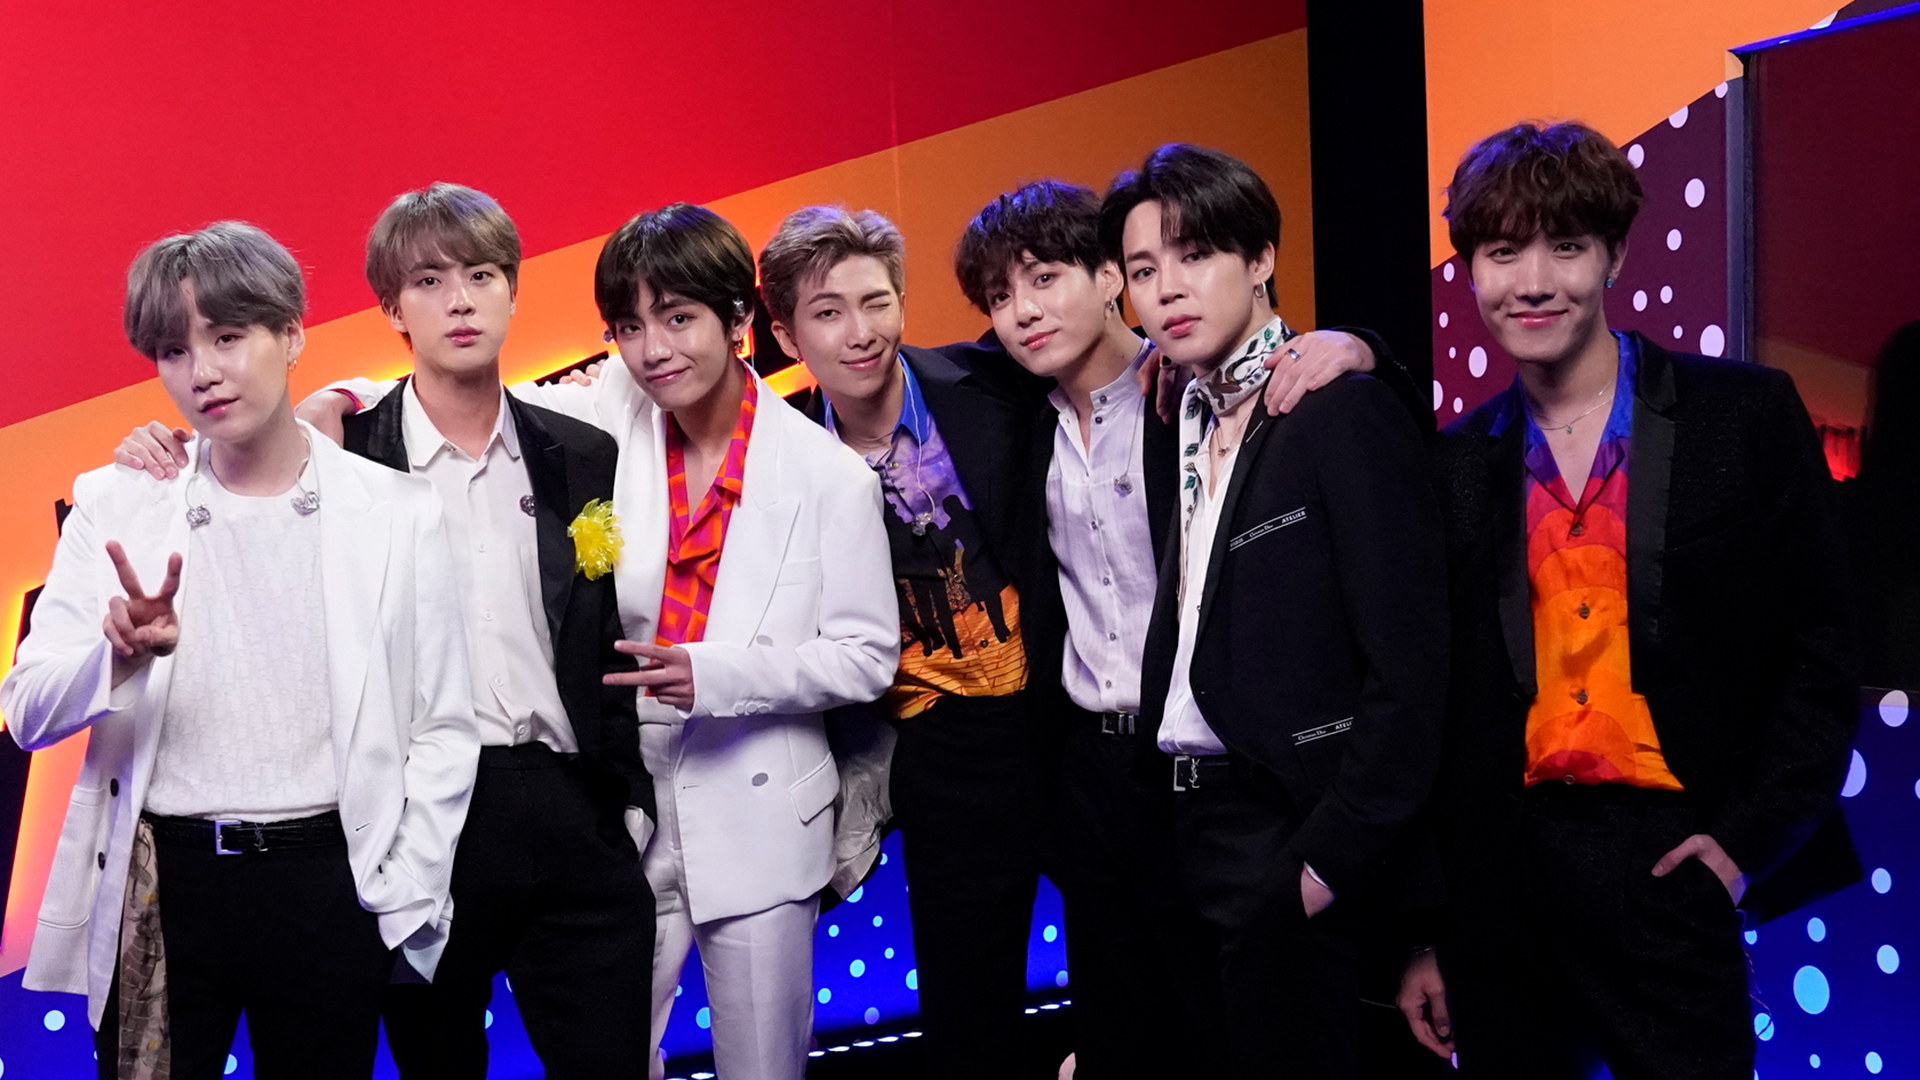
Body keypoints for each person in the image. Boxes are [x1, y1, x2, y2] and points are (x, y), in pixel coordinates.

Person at [292, 202, 900, 1080]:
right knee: (612, 1053)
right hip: (630, 805)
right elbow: (471, 397)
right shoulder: (614, 416)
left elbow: (868, 655)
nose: (654, 350)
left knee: (763, 1064)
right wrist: (339, 400)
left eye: (678, 319)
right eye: (630, 328)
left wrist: (718, 674)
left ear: (738, 320)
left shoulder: (828, 474)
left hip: (758, 805)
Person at [116, 185, 656, 1080]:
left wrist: (625, 802)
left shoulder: (580, 450)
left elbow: (598, 632)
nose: (460, 301)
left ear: (514, 289)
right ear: (391, 309)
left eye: (481, 276)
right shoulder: (346, 451)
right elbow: (237, 455)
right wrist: (159, 444)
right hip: (426, 816)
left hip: (571, 805)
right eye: (429, 281)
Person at [1400, 121, 1860, 1079]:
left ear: (1612, 255)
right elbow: (1430, 714)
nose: (1534, 282)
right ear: (1470, 270)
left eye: (1566, 247)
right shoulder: (1450, 466)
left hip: (1669, 861)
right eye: (1503, 253)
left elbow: (1822, 650)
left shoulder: (1744, 415)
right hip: (1503, 888)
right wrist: (1427, 931)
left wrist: (1742, 845)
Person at [5, 221, 478, 1080]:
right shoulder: (118, 501)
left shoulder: (397, 511)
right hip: (163, 886)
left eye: (227, 337)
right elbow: (26, 711)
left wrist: (402, 891)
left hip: (330, 883)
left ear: (292, 334)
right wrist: (118, 658)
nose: (202, 372)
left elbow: (443, 725)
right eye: (173, 350)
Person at [950, 178, 1397, 1079]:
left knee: (1229, 1025)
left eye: (1044, 279)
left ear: (1109, 277)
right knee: (1124, 1032)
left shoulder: (1190, 397)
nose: (1023, 312)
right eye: (999, 296)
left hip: (1204, 766)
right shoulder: (1019, 421)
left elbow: (1338, 410)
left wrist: (1364, 348)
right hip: (1086, 769)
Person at [1110, 143, 1449, 1079]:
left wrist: (1324, 865)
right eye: (1144, 270)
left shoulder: (1338, 407)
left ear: (1261, 258)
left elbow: (1411, 667)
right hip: (1182, 828)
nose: (1168, 289)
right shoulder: (1178, 413)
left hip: (1288, 832)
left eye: (1195, 255)